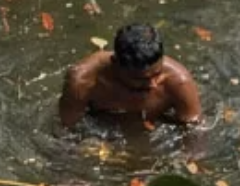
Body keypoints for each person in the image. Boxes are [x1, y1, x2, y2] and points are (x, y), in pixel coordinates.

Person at [59, 24, 202, 129]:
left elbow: (194, 129)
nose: (153, 84)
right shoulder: (83, 81)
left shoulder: (179, 82)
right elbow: (67, 127)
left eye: (157, 74)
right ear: (115, 64)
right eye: (141, 79)